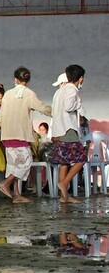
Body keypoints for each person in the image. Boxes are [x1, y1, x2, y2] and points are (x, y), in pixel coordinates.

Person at [0, 67, 52, 203]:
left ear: (16, 79)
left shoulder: (7, 94)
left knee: (13, 165)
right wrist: (55, 112)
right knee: (26, 162)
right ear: (28, 80)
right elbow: (41, 107)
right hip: (21, 135)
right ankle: (5, 183)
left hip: (7, 135)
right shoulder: (29, 94)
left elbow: (1, 115)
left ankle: (17, 194)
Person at [50, 65, 87, 204]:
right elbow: (68, 107)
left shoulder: (59, 91)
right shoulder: (72, 89)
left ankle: (63, 196)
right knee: (81, 158)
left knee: (64, 162)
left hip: (58, 129)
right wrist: (78, 104)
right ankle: (64, 183)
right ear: (80, 78)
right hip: (68, 129)